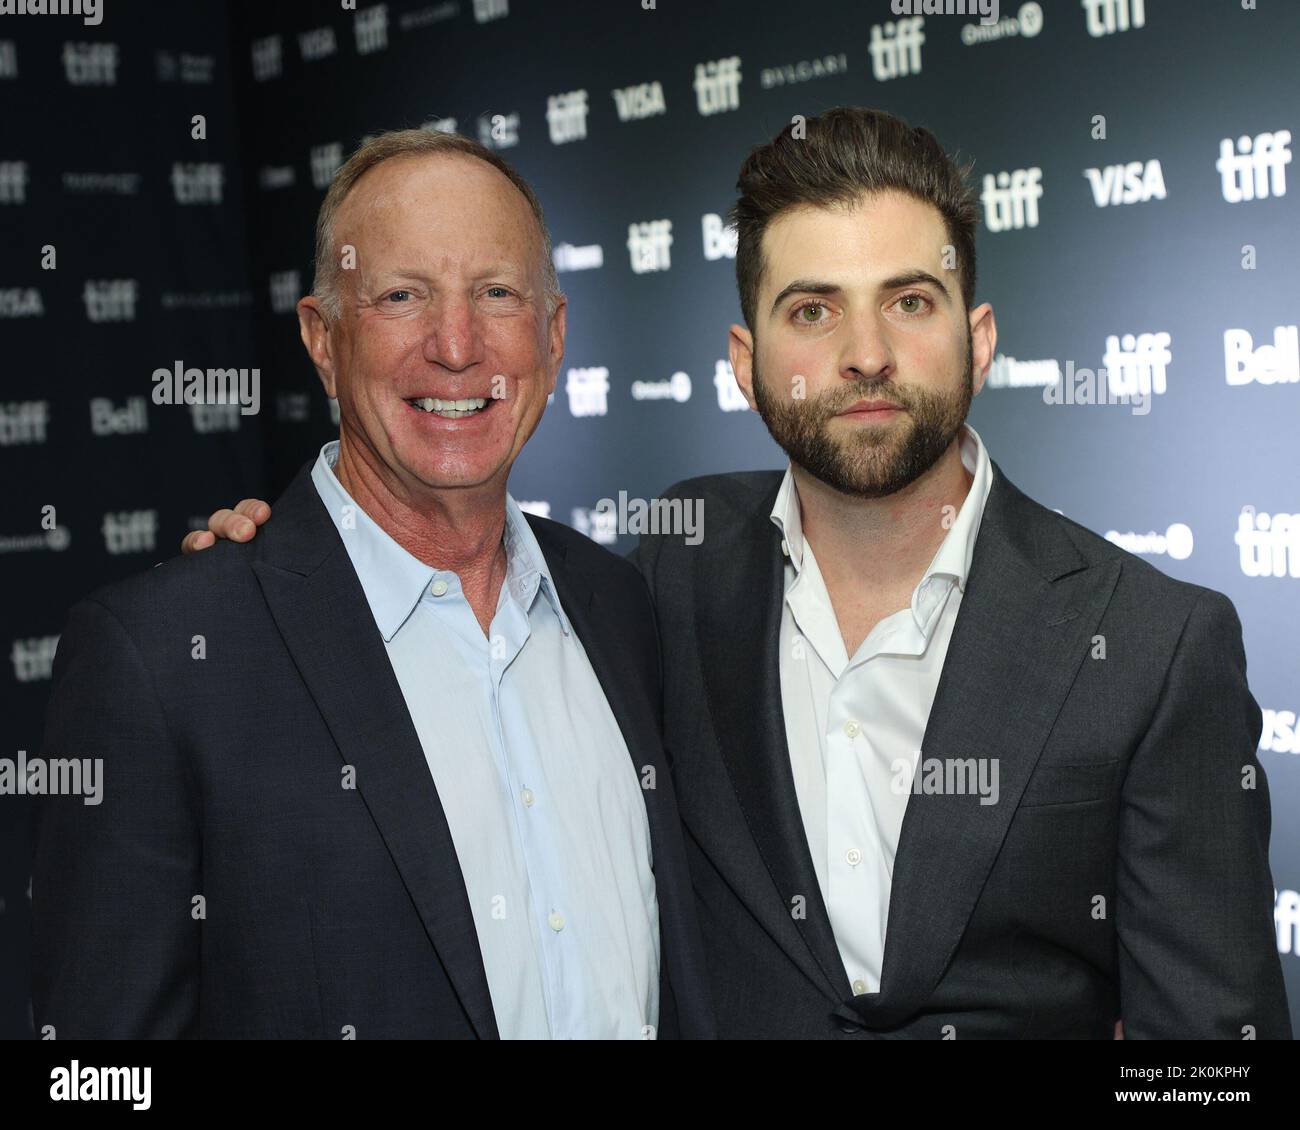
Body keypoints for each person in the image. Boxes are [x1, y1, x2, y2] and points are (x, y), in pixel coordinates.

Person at [184, 109, 1292, 1039]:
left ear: (980, 336)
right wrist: (285, 561)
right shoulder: (655, 578)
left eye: (909, 300)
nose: (865, 352)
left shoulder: (1150, 643)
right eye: (811, 309)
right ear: (744, 360)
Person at [31, 129, 714, 1040]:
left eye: (497, 294)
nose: (457, 345)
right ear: (322, 337)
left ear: (552, 339)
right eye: (402, 296)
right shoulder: (168, 659)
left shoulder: (620, 606)